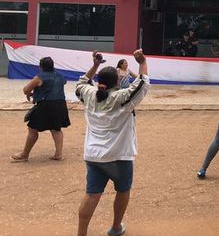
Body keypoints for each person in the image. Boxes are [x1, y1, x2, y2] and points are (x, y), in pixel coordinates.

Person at [75, 50, 150, 236]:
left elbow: (82, 83)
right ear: (117, 82)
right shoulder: (121, 97)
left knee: (92, 194)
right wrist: (142, 62)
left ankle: (81, 233)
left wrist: (95, 65)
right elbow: (142, 84)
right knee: (123, 190)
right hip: (118, 156)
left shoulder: (89, 95)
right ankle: (116, 227)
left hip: (93, 155)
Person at [10, 57, 70, 163]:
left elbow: (26, 89)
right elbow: (60, 84)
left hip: (46, 105)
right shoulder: (60, 76)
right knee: (56, 128)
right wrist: (38, 92)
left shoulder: (39, 77)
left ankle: (24, 154)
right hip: (60, 104)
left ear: (41, 67)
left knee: (32, 129)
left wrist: (33, 93)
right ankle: (58, 154)